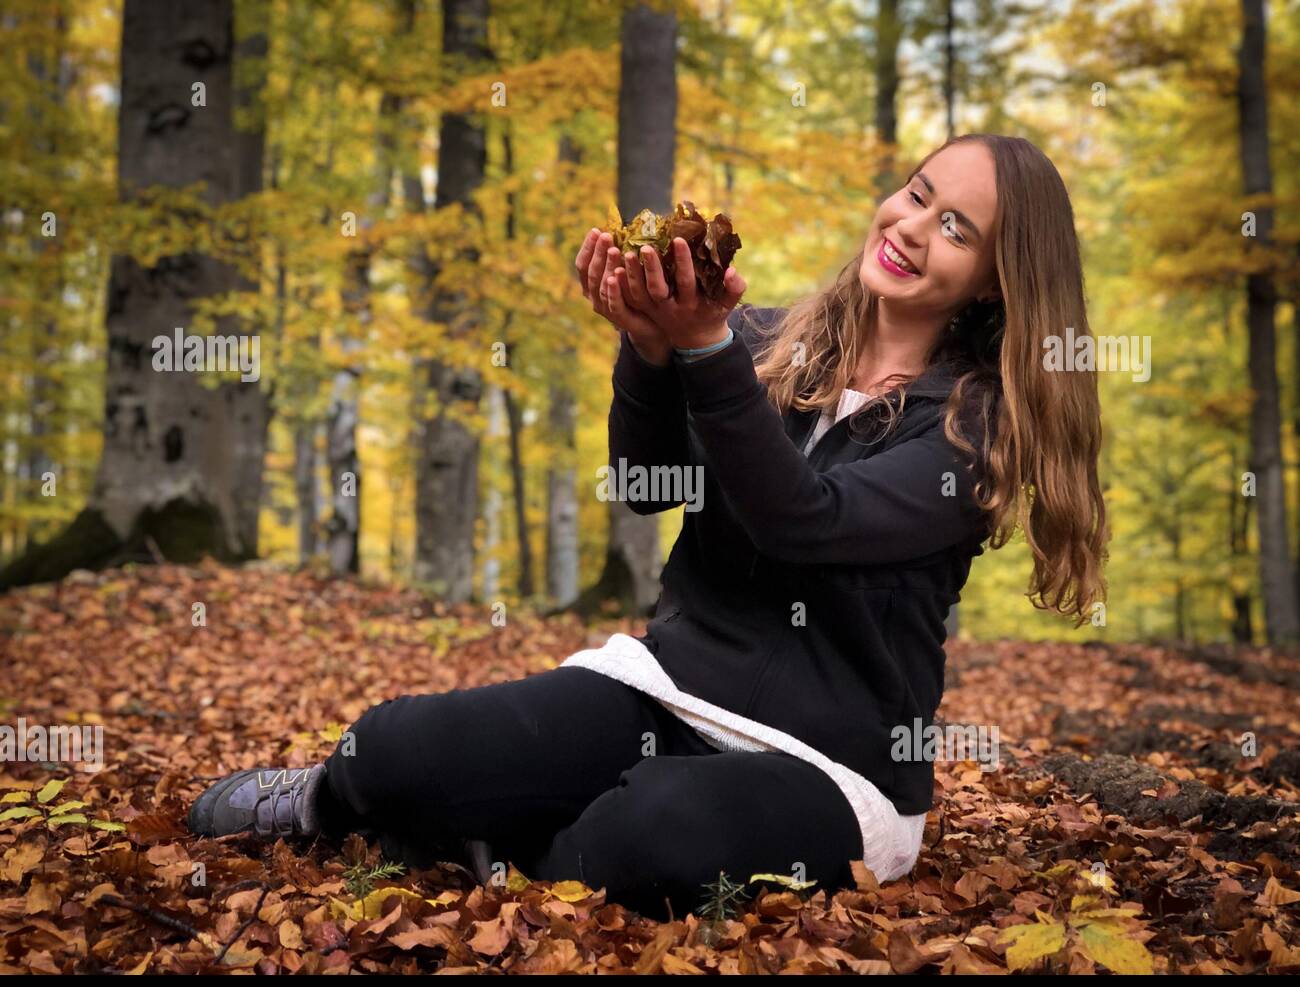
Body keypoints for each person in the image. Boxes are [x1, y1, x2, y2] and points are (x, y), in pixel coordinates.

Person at [188, 133, 1108, 923]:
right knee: (390, 745)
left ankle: (502, 849)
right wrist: (651, 345)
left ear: (996, 281)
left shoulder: (973, 427)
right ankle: (335, 801)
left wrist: (704, 351)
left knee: (654, 831)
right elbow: (641, 482)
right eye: (917, 194)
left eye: (956, 228)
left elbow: (804, 521)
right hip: (667, 691)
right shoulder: (768, 338)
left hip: (830, 768)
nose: (911, 226)